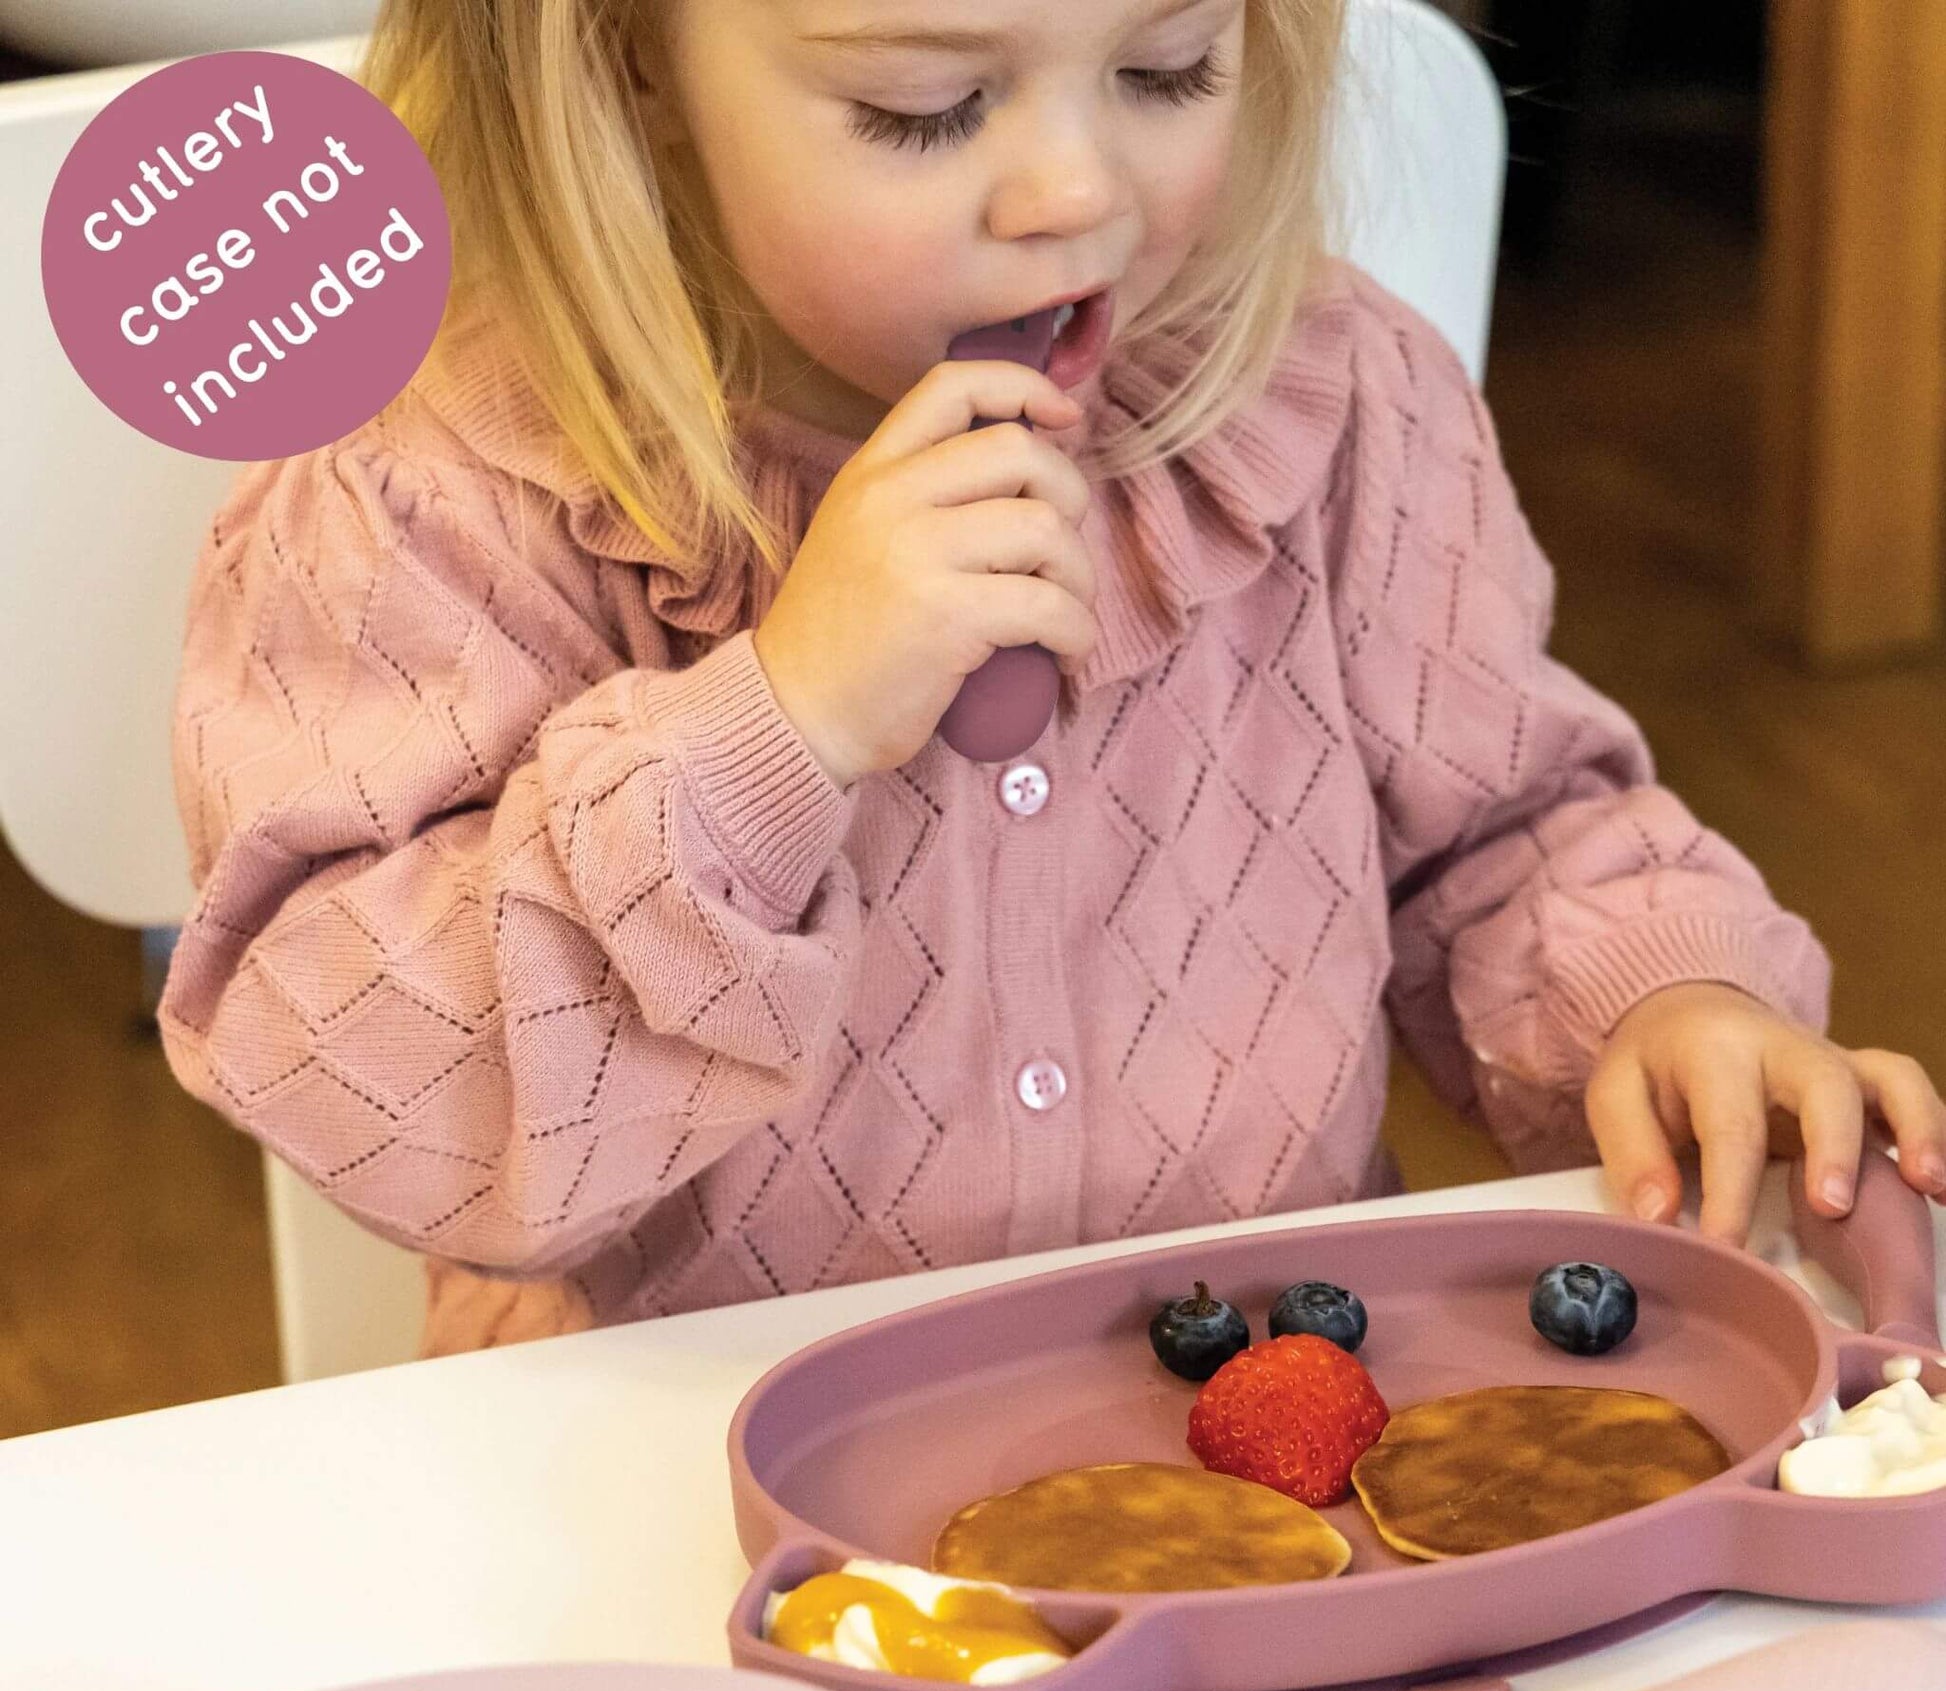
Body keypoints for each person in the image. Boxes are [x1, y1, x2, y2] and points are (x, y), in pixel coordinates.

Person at [159, 0, 1945, 1352]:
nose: (1079, 191)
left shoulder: (1328, 409)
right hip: (667, 1519)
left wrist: (1662, 1002)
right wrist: (777, 729)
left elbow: (1503, 834)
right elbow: (385, 1084)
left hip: (1263, 1462)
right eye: (923, 109)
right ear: (630, 59)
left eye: (1168, 68)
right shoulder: (425, 495)